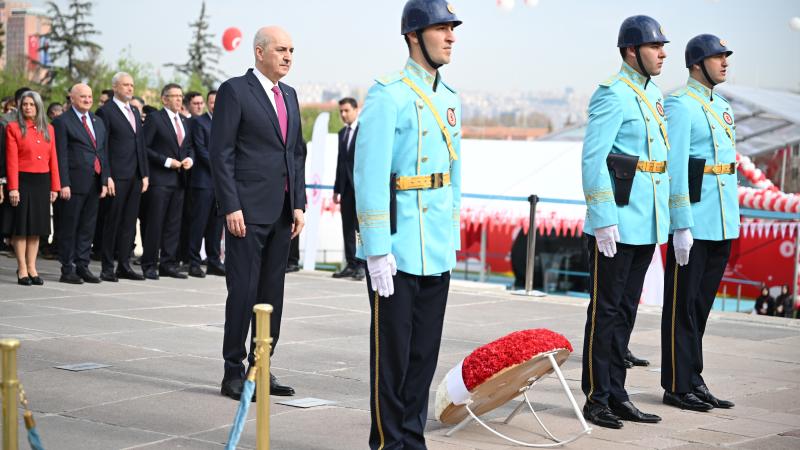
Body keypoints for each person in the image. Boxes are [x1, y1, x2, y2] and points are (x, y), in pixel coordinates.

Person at [355, 1, 462, 447]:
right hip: (397, 247)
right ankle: (386, 441)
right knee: (393, 358)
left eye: (453, 29)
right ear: (414, 36)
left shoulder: (450, 98)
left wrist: (451, 234)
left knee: (423, 357)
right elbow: (369, 174)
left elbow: (454, 177)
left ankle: (411, 440)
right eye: (442, 29)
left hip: (434, 245)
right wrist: (377, 248)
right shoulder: (389, 93)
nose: (452, 37)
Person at [580, 15, 670, 429]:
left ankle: (617, 392)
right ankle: (597, 398)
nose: (663, 53)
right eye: (655, 47)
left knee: (626, 314)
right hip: (615, 222)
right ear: (632, 51)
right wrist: (602, 217)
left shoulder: (652, 97)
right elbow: (593, 158)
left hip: (644, 221)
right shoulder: (613, 94)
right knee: (607, 312)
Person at [211, 26, 305, 401]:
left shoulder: (291, 95)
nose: (288, 56)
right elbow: (221, 153)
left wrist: (298, 203)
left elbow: (295, 153)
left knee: (271, 294)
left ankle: (260, 365)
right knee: (243, 292)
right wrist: (231, 205)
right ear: (259, 51)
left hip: (282, 212)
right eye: (281, 49)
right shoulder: (235, 91)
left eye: (292, 50)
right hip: (246, 213)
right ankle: (232, 372)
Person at [662, 34, 739, 413]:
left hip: (721, 220)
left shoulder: (721, 106)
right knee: (683, 307)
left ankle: (694, 378)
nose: (724, 62)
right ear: (696, 64)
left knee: (701, 307)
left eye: (725, 56)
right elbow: (675, 168)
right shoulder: (679, 105)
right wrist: (680, 223)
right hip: (693, 220)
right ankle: (676, 384)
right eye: (716, 56)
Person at [53, 84, 110, 284]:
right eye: (83, 96)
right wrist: (63, 183)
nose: (87, 100)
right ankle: (67, 268)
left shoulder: (98, 121)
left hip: (94, 183)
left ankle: (82, 265)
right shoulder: (62, 122)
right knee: (69, 227)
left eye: (89, 96)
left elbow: (102, 153)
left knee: (87, 227)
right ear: (72, 98)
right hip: (73, 184)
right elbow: (60, 155)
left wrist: (104, 179)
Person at [96, 72, 149, 282]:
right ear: (115, 87)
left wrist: (144, 174)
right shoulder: (105, 111)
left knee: (129, 223)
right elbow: (103, 146)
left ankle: (124, 265)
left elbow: (140, 145)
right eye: (125, 85)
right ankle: (107, 267)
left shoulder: (135, 111)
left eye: (132, 85)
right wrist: (106, 175)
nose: (130, 88)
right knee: (112, 221)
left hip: (135, 176)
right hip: (116, 176)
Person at [3, 90, 60, 285]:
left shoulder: (49, 129)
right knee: (21, 228)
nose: (28, 107)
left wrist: (55, 186)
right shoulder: (12, 127)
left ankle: (33, 267)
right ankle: (22, 269)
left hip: (42, 181)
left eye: (31, 104)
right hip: (22, 180)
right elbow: (11, 160)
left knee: (36, 228)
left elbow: (54, 159)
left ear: (38, 106)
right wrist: (13, 188)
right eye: (25, 104)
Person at [141, 83, 194, 280]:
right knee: (155, 224)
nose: (179, 100)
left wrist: (190, 159)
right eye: (175, 96)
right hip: (160, 180)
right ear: (164, 99)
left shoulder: (184, 121)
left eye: (181, 96)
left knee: (173, 225)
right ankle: (149, 264)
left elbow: (189, 147)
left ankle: (168, 264)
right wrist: (166, 161)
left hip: (180, 180)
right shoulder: (155, 119)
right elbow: (144, 148)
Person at [187, 90, 225, 278]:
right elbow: (201, 150)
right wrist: (222, 168)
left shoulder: (226, 122)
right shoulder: (198, 122)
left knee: (216, 226)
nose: (214, 104)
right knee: (198, 224)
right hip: (203, 181)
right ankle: (193, 262)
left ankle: (214, 261)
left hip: (220, 185)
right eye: (211, 101)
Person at [332, 97, 365, 281]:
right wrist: (337, 189)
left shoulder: (365, 131)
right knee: (347, 229)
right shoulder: (341, 134)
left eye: (346, 110)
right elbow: (340, 163)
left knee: (360, 229)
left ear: (356, 110)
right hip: (346, 190)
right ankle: (351, 264)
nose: (343, 114)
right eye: (341, 111)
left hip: (360, 189)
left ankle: (361, 265)